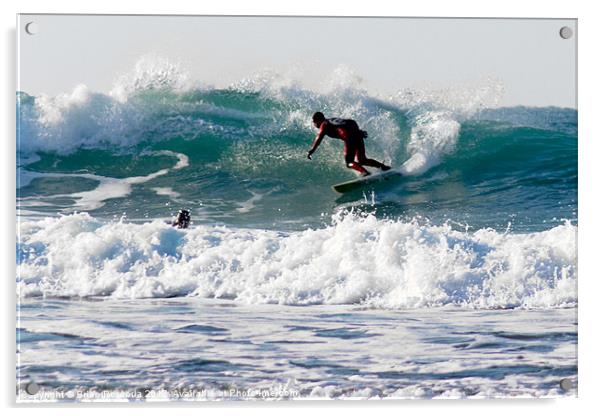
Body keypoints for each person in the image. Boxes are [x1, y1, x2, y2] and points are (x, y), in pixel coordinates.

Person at [307, 112, 391, 176]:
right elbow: (351, 122)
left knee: (349, 162)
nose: (315, 125)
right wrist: (358, 132)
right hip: (356, 133)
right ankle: (384, 168)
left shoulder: (324, 124)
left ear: (318, 120)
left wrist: (312, 150)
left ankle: (365, 173)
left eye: (314, 122)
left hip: (349, 136)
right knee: (362, 160)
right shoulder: (332, 120)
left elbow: (319, 137)